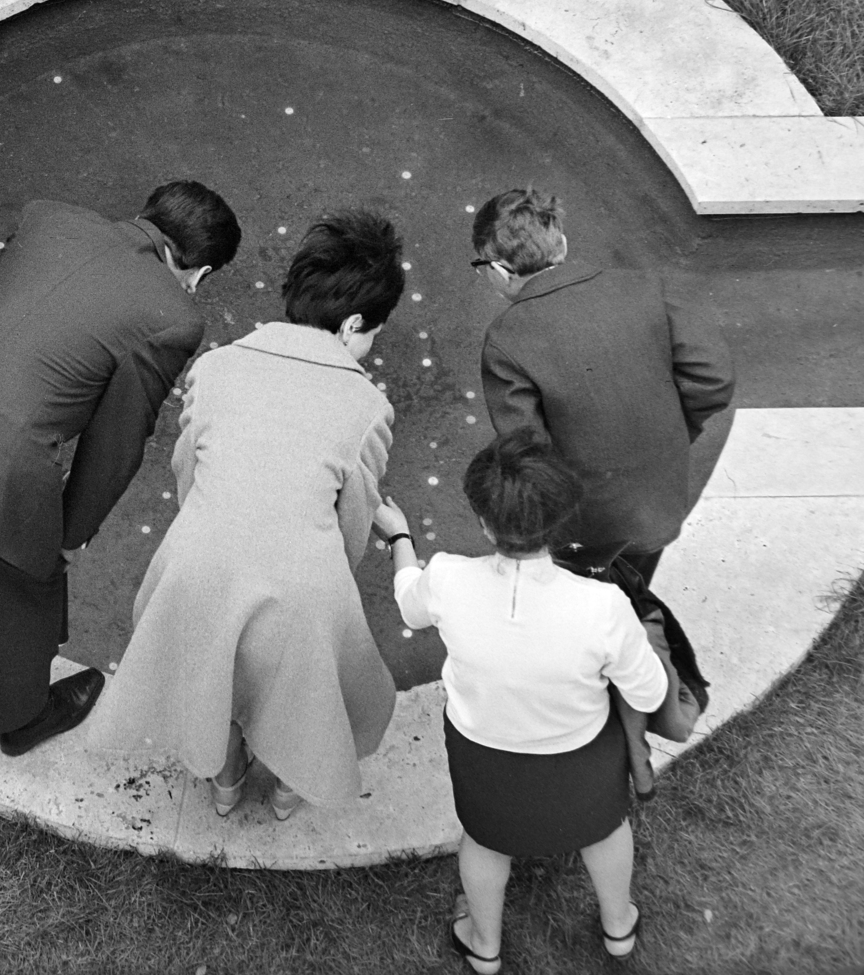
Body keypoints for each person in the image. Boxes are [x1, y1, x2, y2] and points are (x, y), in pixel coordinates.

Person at [0, 181, 241, 757]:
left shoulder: (49, 217)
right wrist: (70, 534)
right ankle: (21, 719)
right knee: (30, 585)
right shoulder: (173, 317)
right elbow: (117, 441)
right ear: (198, 271)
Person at [88, 209, 405, 821]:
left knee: (216, 678)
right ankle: (287, 789)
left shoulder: (215, 367)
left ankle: (225, 784)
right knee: (299, 694)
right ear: (354, 324)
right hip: (302, 587)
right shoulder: (366, 403)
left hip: (195, 565)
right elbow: (354, 522)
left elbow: (189, 473)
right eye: (373, 334)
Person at [380, 430, 668, 973]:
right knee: (605, 829)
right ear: (560, 518)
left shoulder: (446, 579)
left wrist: (399, 540)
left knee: (485, 842)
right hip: (581, 753)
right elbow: (650, 691)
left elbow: (408, 604)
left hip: (482, 752)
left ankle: (483, 942)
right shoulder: (602, 606)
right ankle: (618, 926)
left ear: (486, 522)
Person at [470, 189, 734, 584]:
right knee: (636, 584)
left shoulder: (507, 338)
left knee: (588, 601)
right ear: (562, 243)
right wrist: (676, 432)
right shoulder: (646, 286)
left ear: (500, 271)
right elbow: (714, 380)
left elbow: (528, 450)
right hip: (660, 499)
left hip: (584, 525)